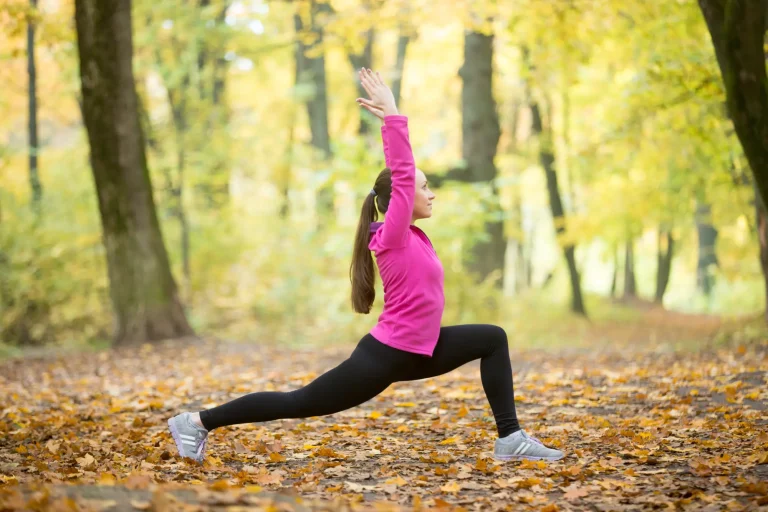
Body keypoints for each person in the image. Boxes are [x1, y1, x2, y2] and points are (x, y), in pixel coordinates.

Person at [167, 68, 564, 464]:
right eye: (425, 187)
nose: (431, 194)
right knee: (301, 402)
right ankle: (197, 422)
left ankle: (510, 437)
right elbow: (403, 175)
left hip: (420, 349)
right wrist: (393, 116)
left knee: (492, 338)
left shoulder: (415, 237)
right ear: (401, 200)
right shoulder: (393, 236)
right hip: (386, 355)